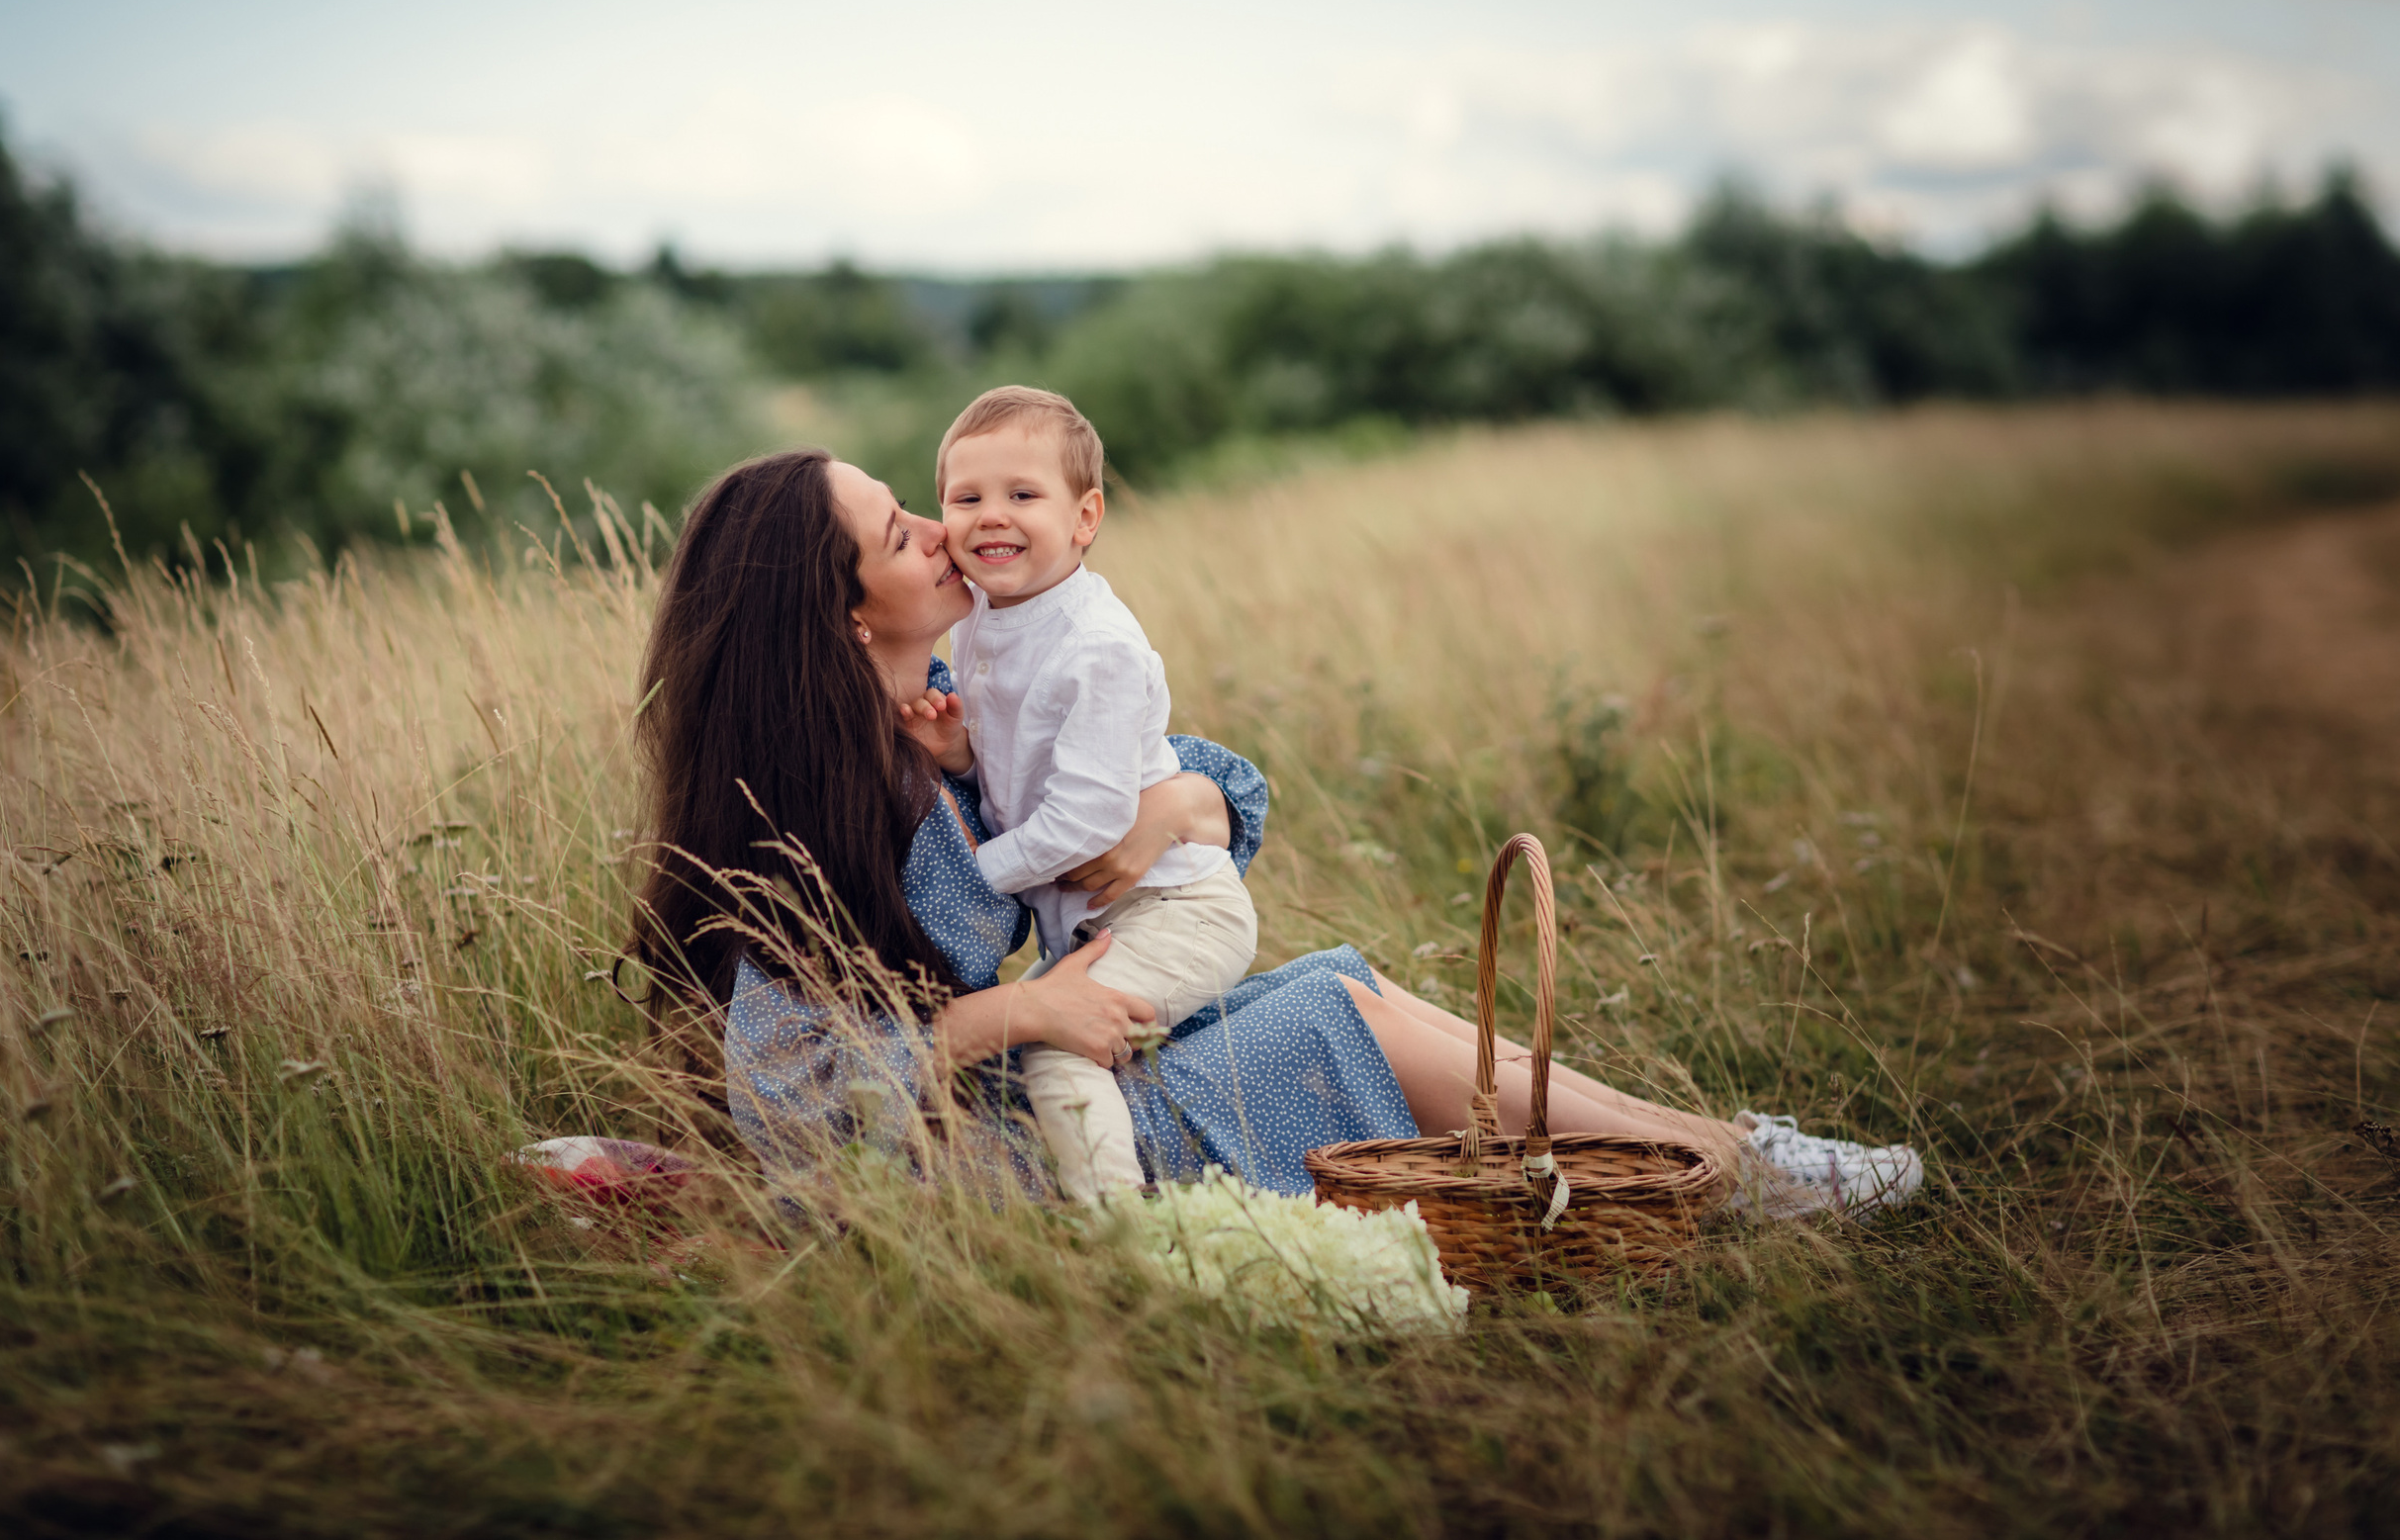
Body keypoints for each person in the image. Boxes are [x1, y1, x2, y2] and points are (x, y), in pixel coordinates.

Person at [625, 447, 1923, 1217]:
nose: (943, 529)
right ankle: (1729, 1176)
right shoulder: (798, 824)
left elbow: (1199, 782)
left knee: (1333, 976)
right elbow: (792, 1104)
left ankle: (1718, 1156)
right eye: (901, 533)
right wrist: (1015, 1015)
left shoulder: (946, 726)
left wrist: (1184, 808)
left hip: (1034, 1100)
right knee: (1332, 1016)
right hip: (996, 1178)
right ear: (847, 616)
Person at [895, 387, 1257, 1203]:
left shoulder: (1097, 647)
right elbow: (1025, 758)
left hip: (1176, 911)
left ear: (1085, 517)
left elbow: (1089, 819)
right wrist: (959, 748)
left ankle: (1115, 1226)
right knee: (1069, 1046)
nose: (992, 516)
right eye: (967, 497)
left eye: (1023, 495)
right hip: (1102, 922)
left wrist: (973, 874)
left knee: (1053, 1050)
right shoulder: (983, 612)